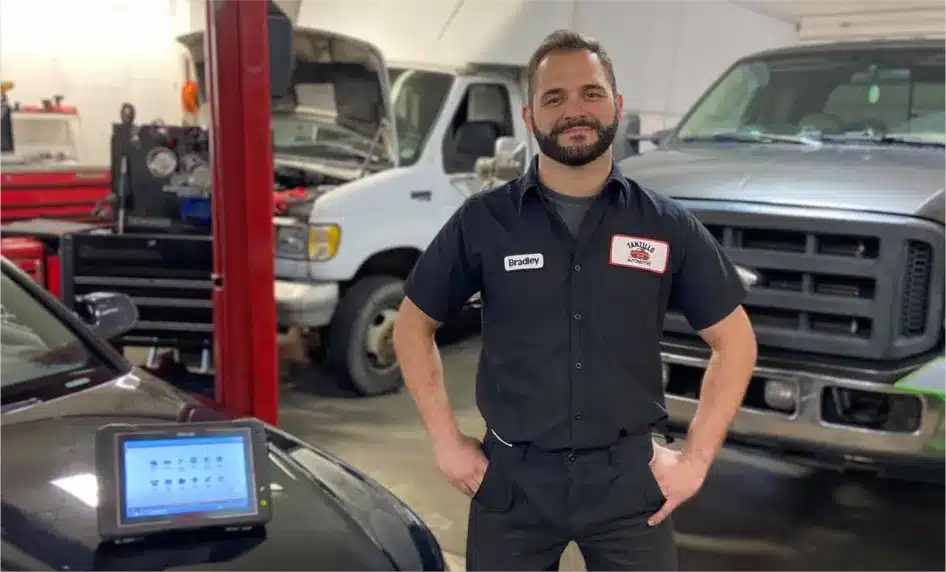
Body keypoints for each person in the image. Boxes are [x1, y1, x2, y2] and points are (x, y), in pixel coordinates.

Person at [392, 29, 758, 572]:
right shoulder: (485, 221)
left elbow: (736, 342)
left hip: (629, 489)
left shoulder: (664, 225)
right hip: (512, 486)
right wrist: (447, 443)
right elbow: (411, 327)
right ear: (530, 117)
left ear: (618, 105)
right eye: (554, 98)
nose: (574, 110)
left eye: (591, 93)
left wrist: (696, 461)